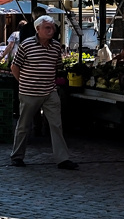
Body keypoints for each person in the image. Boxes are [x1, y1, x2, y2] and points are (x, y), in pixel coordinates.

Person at [10, 15, 75, 170]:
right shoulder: (26, 45)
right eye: (47, 27)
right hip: (29, 92)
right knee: (24, 125)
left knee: (56, 125)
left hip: (49, 92)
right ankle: (17, 156)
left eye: (52, 27)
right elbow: (14, 67)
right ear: (37, 29)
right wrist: (24, 83)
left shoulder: (55, 47)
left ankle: (62, 159)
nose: (51, 30)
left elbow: (56, 67)